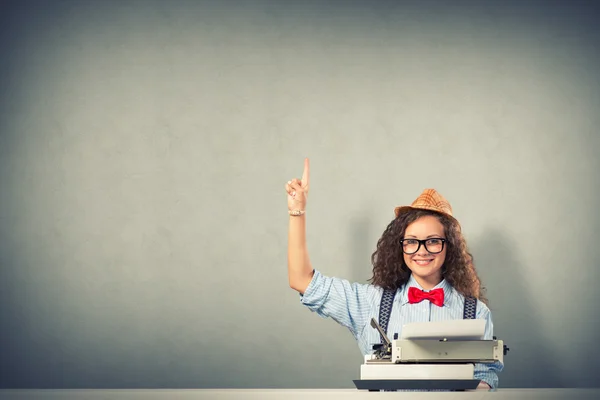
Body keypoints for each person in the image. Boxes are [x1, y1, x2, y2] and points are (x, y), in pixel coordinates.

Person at [285, 158, 503, 389]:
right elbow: (301, 280)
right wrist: (297, 212)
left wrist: (479, 387)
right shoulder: (370, 302)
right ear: (400, 247)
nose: (421, 251)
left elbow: (485, 376)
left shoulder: (476, 312)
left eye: (433, 241)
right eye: (411, 242)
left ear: (449, 246)